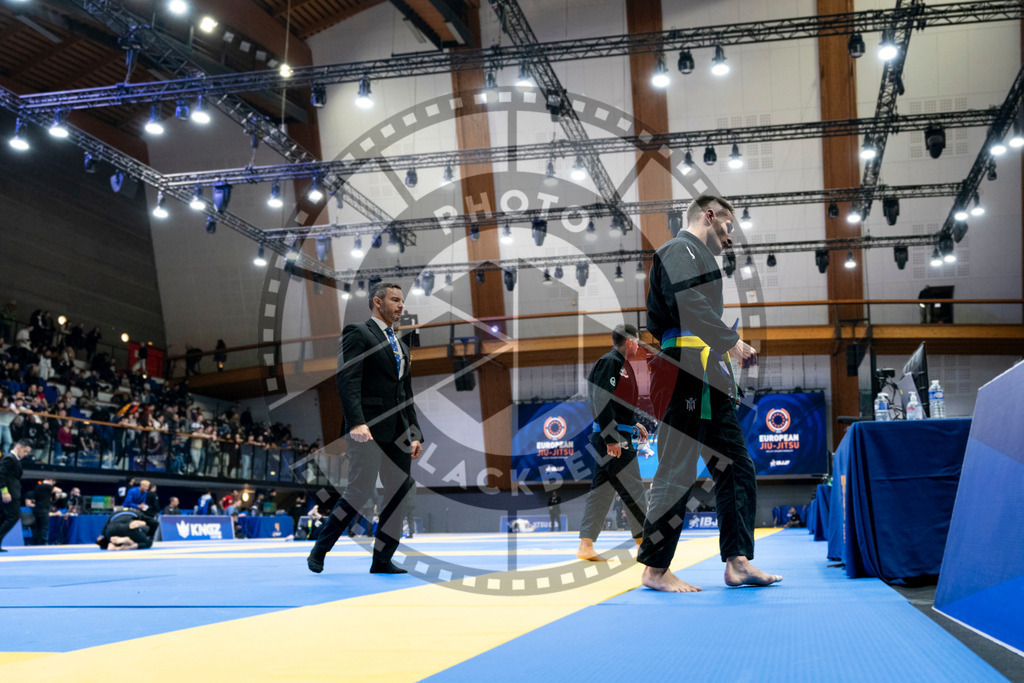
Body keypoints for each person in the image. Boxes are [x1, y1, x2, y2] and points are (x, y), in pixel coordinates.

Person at [640, 194, 781, 593]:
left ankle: (738, 561)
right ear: (708, 216)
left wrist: (722, 355)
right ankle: (655, 569)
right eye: (728, 226)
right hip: (682, 369)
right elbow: (687, 302)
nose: (731, 237)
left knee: (736, 465)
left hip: (707, 372)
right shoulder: (677, 249)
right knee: (677, 467)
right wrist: (730, 341)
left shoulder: (701, 259)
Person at [307, 281, 423, 575]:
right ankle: (321, 548)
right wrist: (356, 422)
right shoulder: (358, 333)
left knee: (398, 494)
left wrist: (414, 434)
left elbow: (406, 395)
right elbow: (348, 380)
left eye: (402, 301)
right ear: (377, 302)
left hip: (398, 432)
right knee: (359, 491)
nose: (401, 305)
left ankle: (382, 560)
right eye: (395, 300)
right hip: (366, 429)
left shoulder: (401, 346)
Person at [576, 324, 649, 562]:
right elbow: (601, 400)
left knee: (602, 490)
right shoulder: (610, 362)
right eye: (637, 342)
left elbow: (618, 404)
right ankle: (644, 545)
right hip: (613, 438)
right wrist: (611, 438)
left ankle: (586, 545)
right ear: (629, 342)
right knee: (634, 489)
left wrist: (633, 422)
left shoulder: (622, 366)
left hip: (618, 433)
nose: (638, 347)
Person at [0, 440, 32, 551]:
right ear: (18, 447)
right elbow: (1, 474)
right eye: (25, 451)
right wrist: (4, 491)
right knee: (14, 516)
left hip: (12, 493)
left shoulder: (15, 459)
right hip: (9, 494)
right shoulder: (9, 458)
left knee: (3, 517)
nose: (26, 454)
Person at [28, 478, 60, 545]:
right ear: (50, 481)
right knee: (44, 526)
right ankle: (44, 542)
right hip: (43, 509)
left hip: (36, 509)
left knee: (37, 526)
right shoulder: (46, 486)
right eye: (53, 483)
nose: (53, 484)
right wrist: (50, 485)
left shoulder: (38, 487)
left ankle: (36, 542)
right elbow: (59, 490)